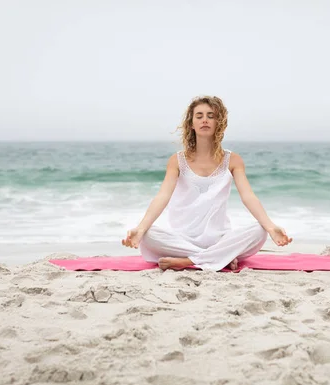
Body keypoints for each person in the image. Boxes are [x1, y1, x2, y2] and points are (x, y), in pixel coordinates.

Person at [122, 96, 292, 271]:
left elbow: (248, 196)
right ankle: (218, 258)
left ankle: (189, 260)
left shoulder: (233, 160)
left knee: (260, 231)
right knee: (148, 235)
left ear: (219, 122)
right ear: (191, 123)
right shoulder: (177, 160)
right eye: (199, 116)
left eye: (211, 116)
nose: (205, 120)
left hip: (220, 239)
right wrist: (140, 229)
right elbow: (162, 196)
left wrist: (271, 227)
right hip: (182, 239)